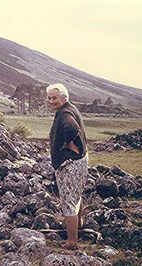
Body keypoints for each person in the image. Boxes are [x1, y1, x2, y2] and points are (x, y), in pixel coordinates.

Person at [46, 83, 88, 250]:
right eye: (49, 97)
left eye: (54, 98)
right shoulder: (69, 109)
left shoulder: (65, 114)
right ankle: (79, 227)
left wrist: (68, 143)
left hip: (71, 164)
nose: (51, 101)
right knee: (75, 196)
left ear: (64, 97)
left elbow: (71, 128)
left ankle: (72, 242)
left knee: (68, 201)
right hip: (79, 161)